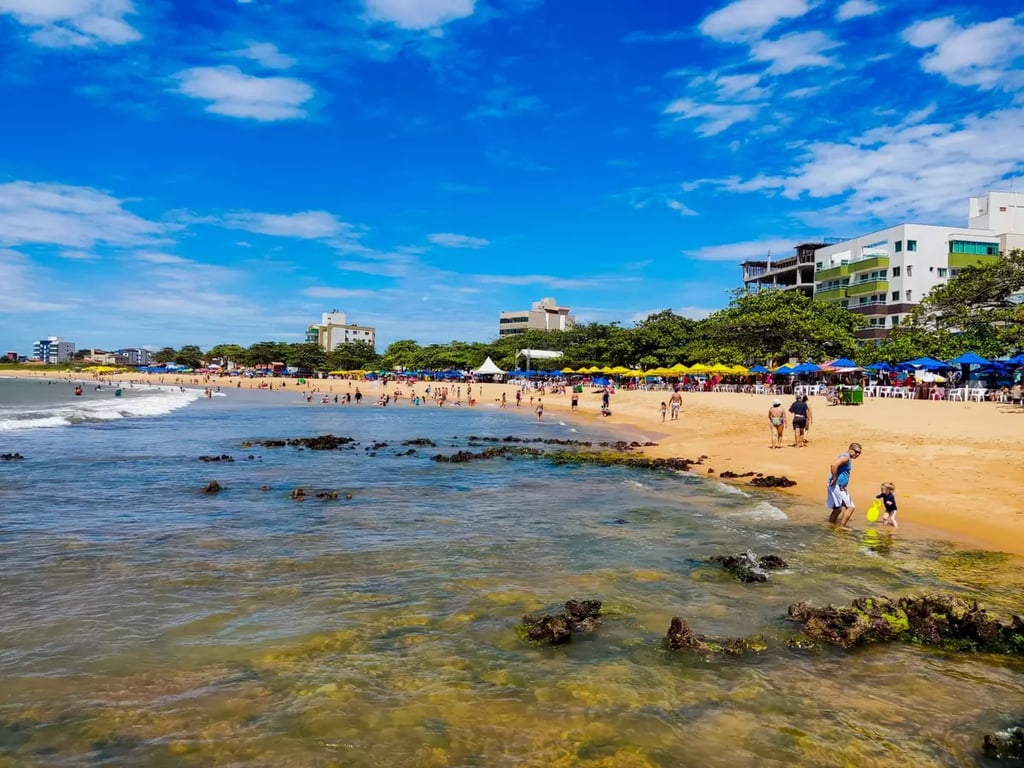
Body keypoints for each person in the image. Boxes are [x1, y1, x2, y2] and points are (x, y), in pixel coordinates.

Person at [827, 442, 862, 528]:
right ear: (850, 449)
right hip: (838, 486)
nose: (857, 454)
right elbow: (834, 465)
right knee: (850, 507)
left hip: (835, 486)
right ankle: (842, 527)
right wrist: (835, 478)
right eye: (856, 451)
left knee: (837, 509)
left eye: (859, 453)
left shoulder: (846, 457)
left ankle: (831, 526)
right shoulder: (846, 457)